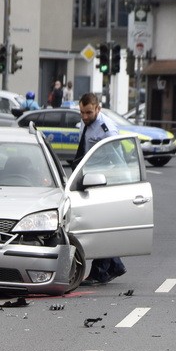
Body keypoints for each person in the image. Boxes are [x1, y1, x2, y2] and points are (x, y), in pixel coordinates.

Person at [73, 93, 125, 286]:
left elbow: (118, 159)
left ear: (98, 109)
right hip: (89, 179)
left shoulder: (106, 129)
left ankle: (100, 271)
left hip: (104, 181)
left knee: (100, 226)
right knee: (97, 225)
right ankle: (114, 265)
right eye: (82, 112)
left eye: (88, 112)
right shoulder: (85, 124)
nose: (84, 116)